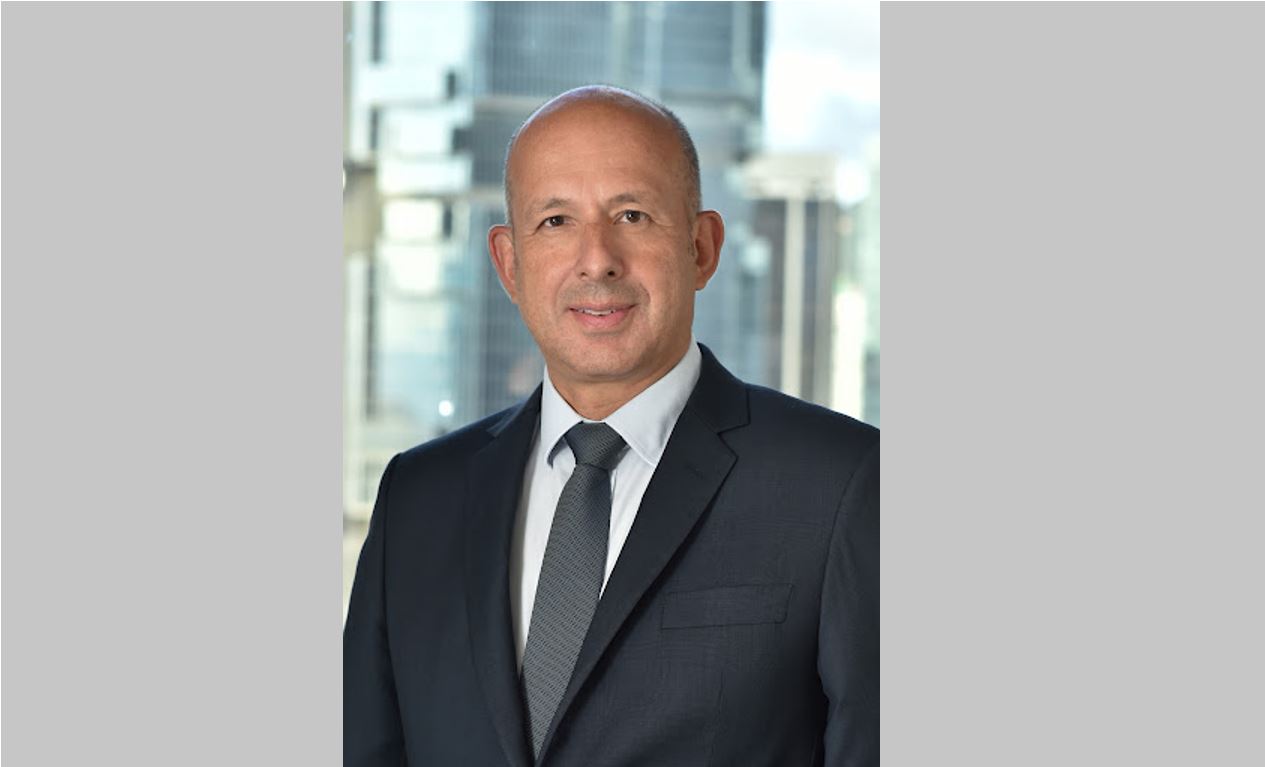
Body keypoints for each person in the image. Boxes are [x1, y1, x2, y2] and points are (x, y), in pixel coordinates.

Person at [344, 85, 878, 767]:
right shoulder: (418, 498)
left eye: (632, 215)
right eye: (555, 221)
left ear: (702, 247)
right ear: (509, 263)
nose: (597, 258)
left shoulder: (842, 484)